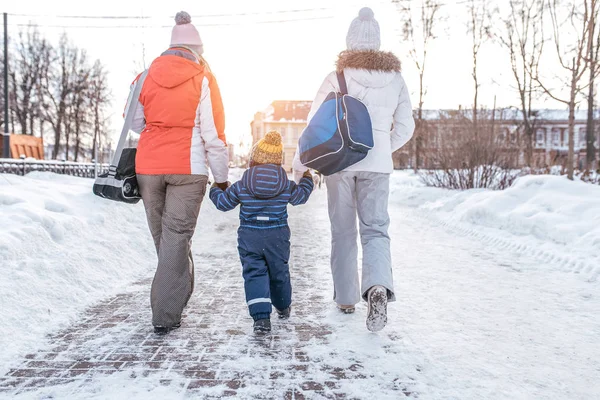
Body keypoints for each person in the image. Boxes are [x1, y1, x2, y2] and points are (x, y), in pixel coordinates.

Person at [293, 7, 415, 332]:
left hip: (340, 164)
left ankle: (346, 298)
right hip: (379, 168)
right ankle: (376, 287)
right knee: (375, 229)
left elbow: (314, 126)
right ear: (377, 42)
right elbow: (406, 126)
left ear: (350, 41)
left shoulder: (337, 77)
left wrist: (299, 166)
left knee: (343, 231)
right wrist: (381, 148)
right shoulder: (396, 79)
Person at [129, 11, 230, 335]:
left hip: (148, 168)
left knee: (166, 242)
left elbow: (134, 123)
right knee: (175, 241)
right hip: (188, 168)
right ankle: (165, 314)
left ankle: (177, 296)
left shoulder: (144, 77)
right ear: (197, 48)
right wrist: (223, 177)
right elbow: (213, 135)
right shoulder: (203, 77)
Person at [210, 131, 314, 333]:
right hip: (278, 236)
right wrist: (307, 179)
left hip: (250, 236)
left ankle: (261, 319)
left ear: (253, 159)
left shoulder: (242, 185)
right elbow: (300, 197)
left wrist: (215, 188)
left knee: (254, 273)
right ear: (278, 161)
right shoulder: (285, 184)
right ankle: (283, 306)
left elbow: (223, 204)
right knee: (279, 271)